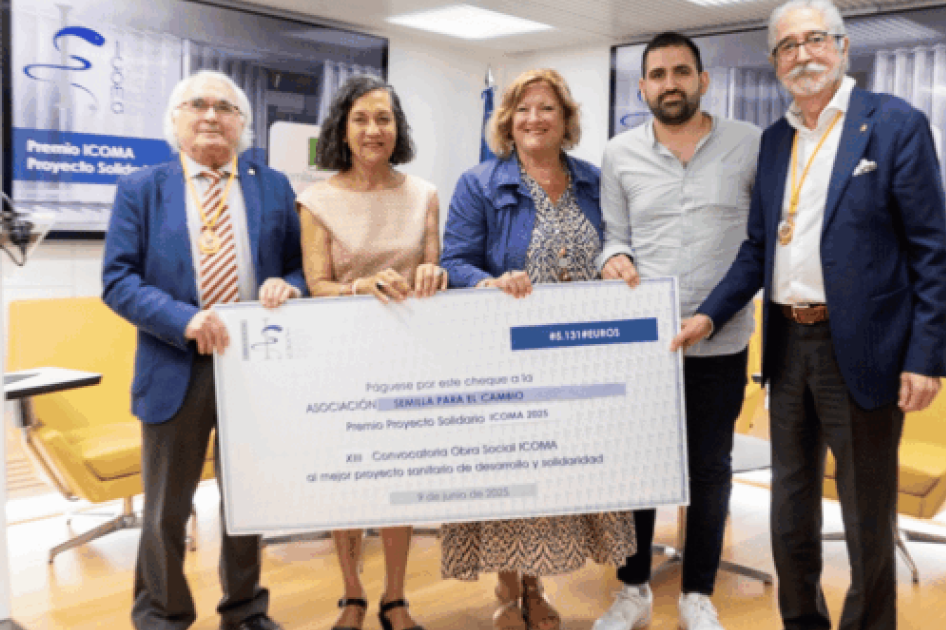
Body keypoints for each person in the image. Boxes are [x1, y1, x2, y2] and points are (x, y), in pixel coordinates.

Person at [673, 1, 946, 629]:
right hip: (787, 346)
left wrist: (926, 354)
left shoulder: (895, 124)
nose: (801, 55)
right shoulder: (775, 141)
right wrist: (708, 316)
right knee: (789, 512)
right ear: (775, 62)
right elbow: (758, 248)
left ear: (843, 46)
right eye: (787, 46)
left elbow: (931, 252)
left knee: (865, 516)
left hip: (863, 347)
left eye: (814, 40)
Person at [102, 70, 305, 630]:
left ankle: (244, 610)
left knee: (247, 502)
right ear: (176, 120)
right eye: (197, 105)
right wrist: (184, 319)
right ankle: (162, 615)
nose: (211, 115)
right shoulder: (142, 188)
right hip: (174, 364)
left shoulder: (273, 185)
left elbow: (299, 267)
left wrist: (289, 285)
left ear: (243, 124)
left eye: (225, 107)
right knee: (166, 510)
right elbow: (118, 280)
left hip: (253, 367)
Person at [440, 68, 636, 630]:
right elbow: (454, 261)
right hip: (507, 353)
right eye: (523, 109)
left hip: (579, 356)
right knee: (515, 471)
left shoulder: (594, 181)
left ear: (565, 119)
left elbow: (617, 242)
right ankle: (515, 587)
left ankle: (536, 580)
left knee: (556, 475)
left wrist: (617, 259)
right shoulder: (479, 183)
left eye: (547, 108)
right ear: (507, 121)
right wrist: (488, 282)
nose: (534, 118)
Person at [591, 32, 761, 630]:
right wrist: (613, 257)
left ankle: (697, 595)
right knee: (639, 466)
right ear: (643, 87)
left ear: (702, 80)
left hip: (721, 338)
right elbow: (613, 235)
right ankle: (633, 590)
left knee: (710, 468)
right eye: (658, 75)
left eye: (681, 72)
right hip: (647, 343)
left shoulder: (749, 144)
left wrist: (712, 313)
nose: (670, 84)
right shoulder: (619, 154)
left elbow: (759, 244)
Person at [297, 76, 443, 630]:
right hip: (341, 357)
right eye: (360, 119)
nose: (373, 130)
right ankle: (352, 594)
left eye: (384, 118)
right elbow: (316, 285)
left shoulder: (424, 194)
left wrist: (434, 275)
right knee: (349, 481)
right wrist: (361, 286)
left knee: (399, 481)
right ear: (342, 129)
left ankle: (396, 598)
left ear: (397, 128)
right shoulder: (316, 200)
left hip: (408, 357)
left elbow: (433, 273)